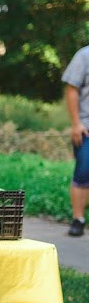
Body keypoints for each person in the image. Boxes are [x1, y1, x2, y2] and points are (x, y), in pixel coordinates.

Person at [62, 44, 89, 237]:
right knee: (84, 170)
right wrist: (76, 123)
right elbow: (72, 90)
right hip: (86, 126)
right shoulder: (84, 55)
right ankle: (78, 219)